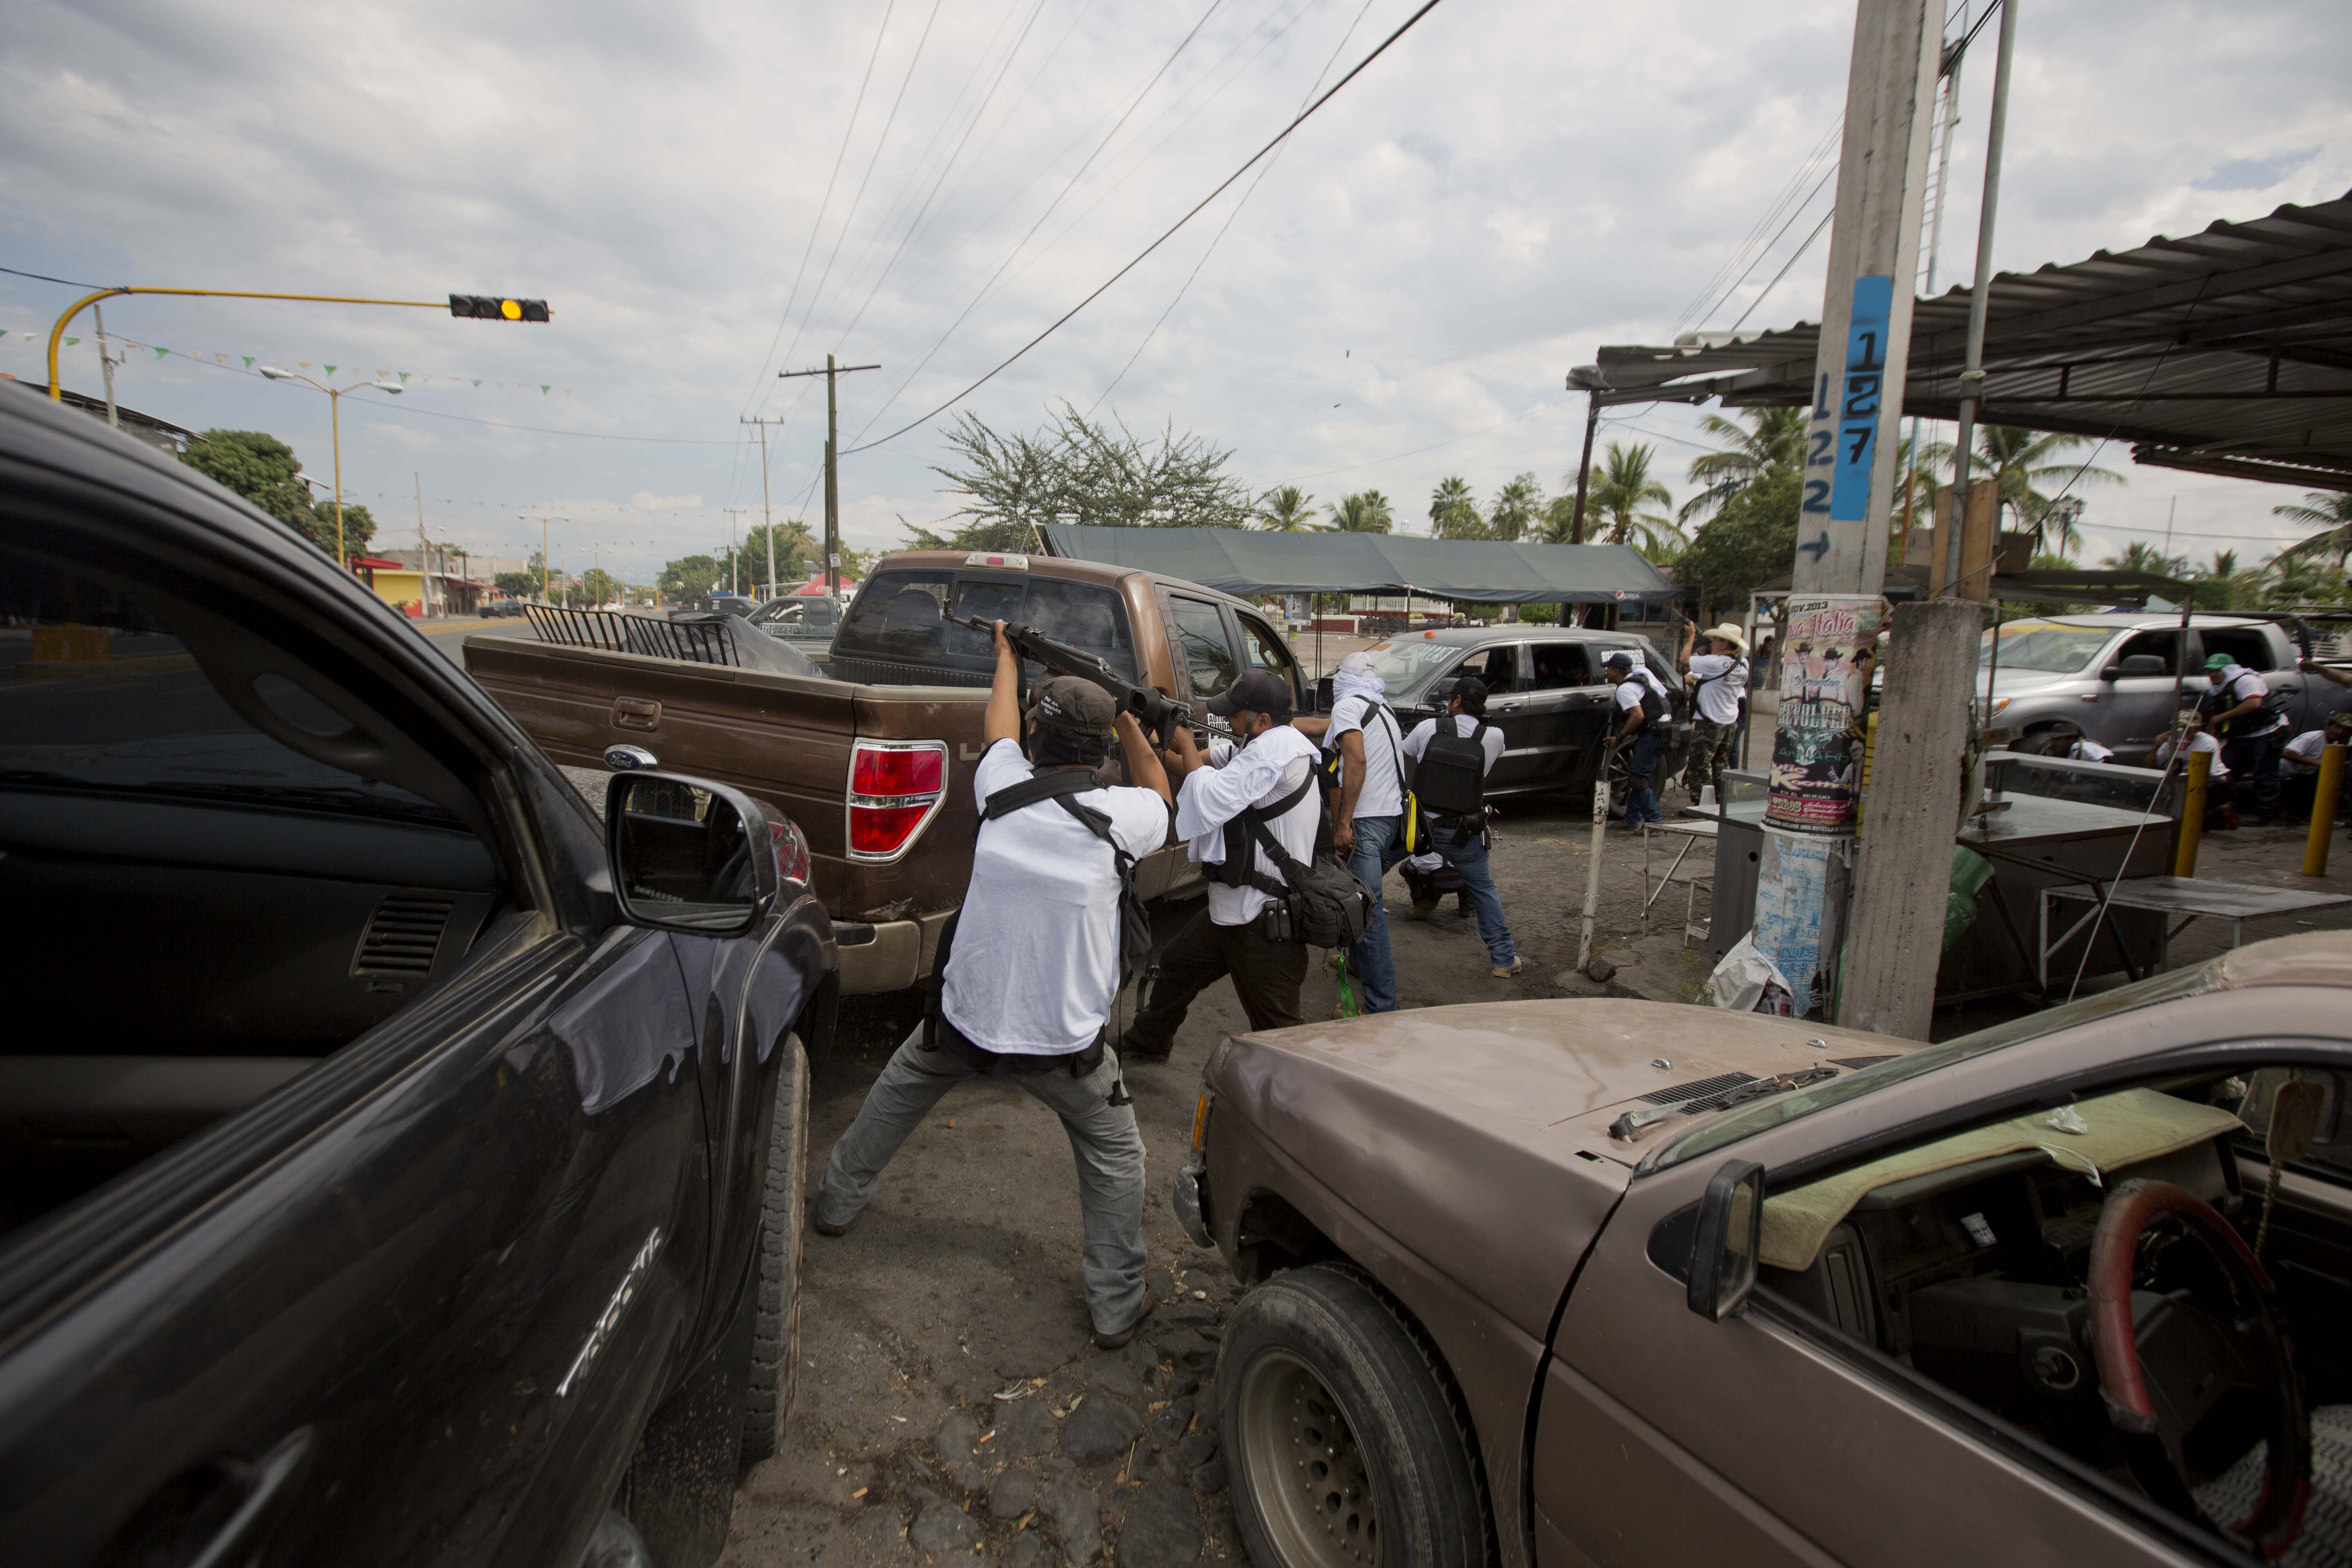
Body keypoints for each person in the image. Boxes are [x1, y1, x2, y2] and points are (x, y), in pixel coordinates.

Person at [813, 622, 1175, 1350]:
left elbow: (998, 722)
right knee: (1115, 1158)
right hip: (1066, 1047)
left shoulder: (999, 788)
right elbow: (1162, 789)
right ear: (1099, 751)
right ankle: (1114, 1308)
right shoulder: (1125, 818)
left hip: (965, 1022)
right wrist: (1132, 715)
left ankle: (835, 1203)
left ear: (1036, 742)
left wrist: (1006, 656)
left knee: (895, 1092)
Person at [1120, 668, 1323, 1060]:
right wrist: (1150, 738)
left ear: (1262, 720)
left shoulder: (1275, 753)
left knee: (1281, 1035)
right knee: (1177, 967)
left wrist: (1184, 742)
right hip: (1233, 910)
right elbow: (1192, 766)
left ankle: (1297, 1108)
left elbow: (1209, 796)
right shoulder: (1259, 744)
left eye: (1235, 713)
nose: (1227, 721)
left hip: (1266, 923)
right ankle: (1149, 1041)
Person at [1291, 651, 1409, 1013]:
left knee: (1366, 914)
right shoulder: (1379, 708)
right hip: (1391, 822)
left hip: (1366, 824)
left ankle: (1380, 1009)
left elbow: (1355, 759)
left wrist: (1343, 822)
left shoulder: (1348, 707)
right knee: (1361, 904)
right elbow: (1316, 726)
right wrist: (1281, 723)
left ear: (1343, 681)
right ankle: (1360, 965)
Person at [1400, 677, 1519, 977]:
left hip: (1420, 829)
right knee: (1484, 890)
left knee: (1375, 866)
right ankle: (1504, 961)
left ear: (1455, 702)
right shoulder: (1494, 736)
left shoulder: (1429, 728)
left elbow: (1405, 754)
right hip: (1464, 831)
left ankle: (1355, 940)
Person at [2199, 652, 2288, 823]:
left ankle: (2266, 814)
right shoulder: (2216, 688)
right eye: (2209, 671)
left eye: (2217, 671)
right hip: (2241, 736)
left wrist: (2221, 718)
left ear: (2228, 669)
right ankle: (2223, 808)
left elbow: (2254, 703)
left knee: (2265, 774)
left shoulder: (2246, 680)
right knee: (2226, 770)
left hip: (2265, 733)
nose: (2212, 675)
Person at [1604, 650, 1674, 827]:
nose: (1606, 673)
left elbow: (1638, 716)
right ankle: (1632, 819)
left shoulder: (1626, 689)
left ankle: (1655, 821)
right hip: (1664, 729)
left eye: (1609, 669)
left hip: (1655, 733)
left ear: (1616, 672)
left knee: (1637, 777)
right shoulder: (1641, 675)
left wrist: (1619, 738)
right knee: (1638, 775)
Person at [1679, 622, 1749, 798]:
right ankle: (1722, 801)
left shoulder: (1715, 663)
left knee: (1699, 766)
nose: (1713, 644)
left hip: (1710, 722)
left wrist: (1691, 636)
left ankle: (1702, 804)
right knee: (1720, 763)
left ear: (1725, 644)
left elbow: (1685, 662)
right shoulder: (1743, 663)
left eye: (1716, 640)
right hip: (1729, 721)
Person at [2154, 710, 2236, 831]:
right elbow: (2158, 763)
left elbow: (2206, 774)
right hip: (2186, 779)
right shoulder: (2174, 739)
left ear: (2197, 729)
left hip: (2214, 780)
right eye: (2180, 727)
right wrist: (2162, 746)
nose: (2183, 731)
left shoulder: (2208, 742)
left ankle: (2219, 814)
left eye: (2188, 728)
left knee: (2191, 822)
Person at [2279, 711, 2352, 820]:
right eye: (2337, 727)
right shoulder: (2312, 737)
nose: (2341, 732)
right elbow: (2287, 753)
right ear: (2329, 725)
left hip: (2307, 775)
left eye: (2346, 730)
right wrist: (2318, 764)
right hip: (2288, 777)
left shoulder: (2335, 744)